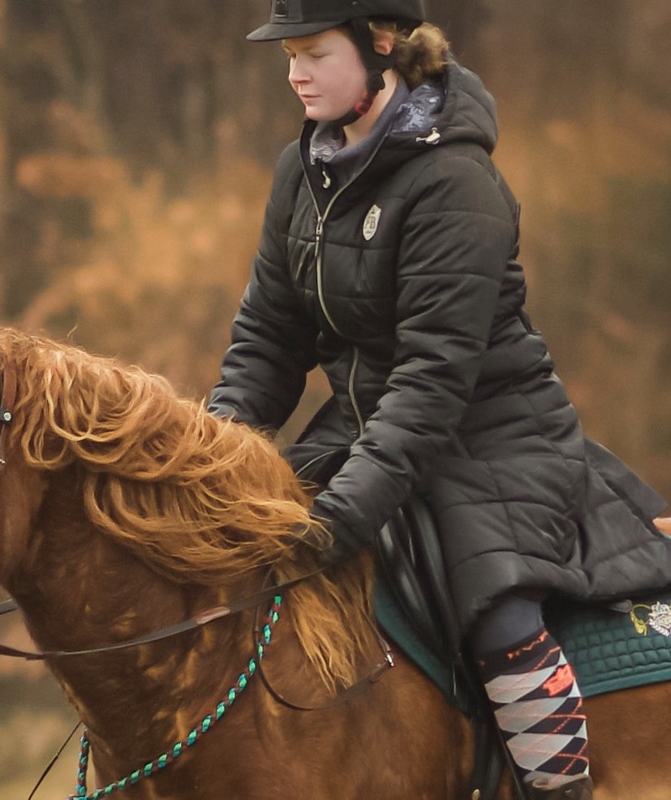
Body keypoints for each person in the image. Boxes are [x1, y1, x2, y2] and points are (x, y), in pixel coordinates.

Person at [207, 2, 671, 798]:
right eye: (289, 55)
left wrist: (337, 517)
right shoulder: (302, 169)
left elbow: (431, 382)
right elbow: (267, 344)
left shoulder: (456, 181)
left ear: (381, 44)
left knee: (495, 615)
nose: (294, 72)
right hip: (360, 440)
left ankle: (561, 787)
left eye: (314, 52)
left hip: (490, 447)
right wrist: (207, 465)